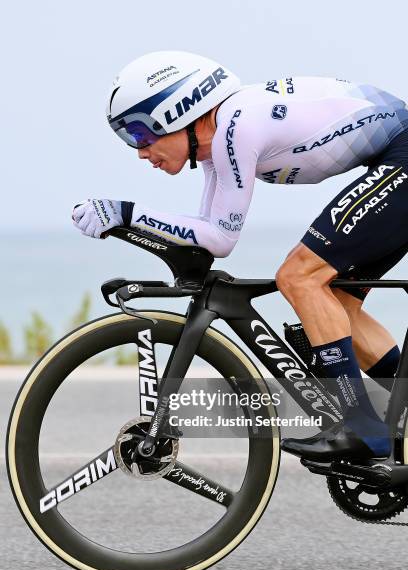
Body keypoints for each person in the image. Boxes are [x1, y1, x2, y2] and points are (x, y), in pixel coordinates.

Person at [72, 51, 408, 461]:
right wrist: (132, 224)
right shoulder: (218, 142)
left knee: (299, 277)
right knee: (337, 307)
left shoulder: (237, 127)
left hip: (401, 154)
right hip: (394, 157)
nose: (141, 152)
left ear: (176, 112)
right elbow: (208, 232)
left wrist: (129, 213)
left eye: (141, 135)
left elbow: (220, 238)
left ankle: (362, 427)